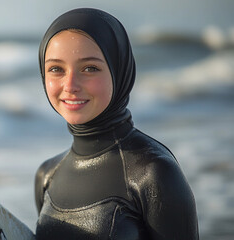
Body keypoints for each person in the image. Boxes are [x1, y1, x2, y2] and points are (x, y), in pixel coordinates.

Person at [34, 8, 199, 239]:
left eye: (90, 68)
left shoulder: (154, 174)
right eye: (56, 69)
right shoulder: (47, 175)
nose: (70, 85)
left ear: (119, 69)